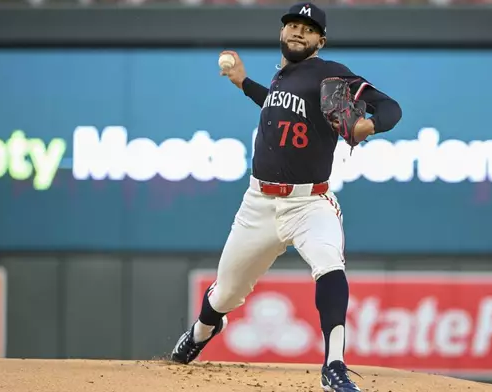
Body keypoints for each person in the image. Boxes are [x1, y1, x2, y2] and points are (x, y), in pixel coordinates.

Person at [171, 3, 402, 391]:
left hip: (310, 203)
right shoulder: (284, 76)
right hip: (258, 204)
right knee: (225, 293)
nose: (298, 31)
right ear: (282, 33)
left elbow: (392, 107)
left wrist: (369, 124)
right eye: (293, 25)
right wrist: (243, 82)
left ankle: (334, 366)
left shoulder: (330, 73)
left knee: (329, 263)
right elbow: (277, 109)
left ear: (320, 40)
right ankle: (201, 332)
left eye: (307, 29)